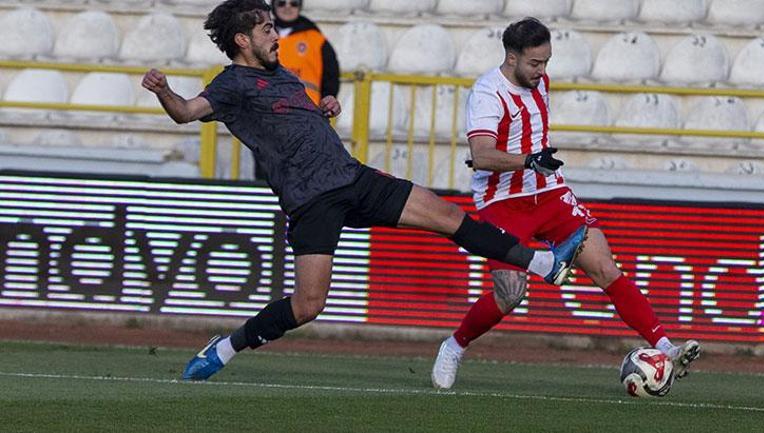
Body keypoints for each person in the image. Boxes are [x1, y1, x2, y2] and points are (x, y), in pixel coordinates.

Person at [141, 0, 587, 382]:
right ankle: (225, 349)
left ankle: (545, 263)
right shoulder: (230, 85)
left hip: (351, 177)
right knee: (308, 305)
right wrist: (165, 91)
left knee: (448, 217)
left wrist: (323, 111)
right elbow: (185, 112)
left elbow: (293, 122)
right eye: (266, 29)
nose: (275, 34)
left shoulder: (283, 75)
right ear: (242, 40)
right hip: (311, 200)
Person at [430, 17, 701, 390]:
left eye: (547, 62)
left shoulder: (539, 81)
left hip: (549, 193)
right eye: (535, 63)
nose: (542, 71)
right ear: (511, 58)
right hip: (502, 201)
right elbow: (481, 155)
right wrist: (528, 160)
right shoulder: (487, 94)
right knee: (510, 293)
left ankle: (666, 347)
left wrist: (537, 167)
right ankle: (454, 345)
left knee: (605, 267)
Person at [253, 0, 340, 180]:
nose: (287, 7)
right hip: (267, 113)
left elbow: (331, 73)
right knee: (267, 170)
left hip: (306, 115)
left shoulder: (314, 37)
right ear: (273, 6)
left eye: (293, 3)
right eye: (281, 3)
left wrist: (328, 98)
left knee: (304, 172)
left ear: (300, 6)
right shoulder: (260, 34)